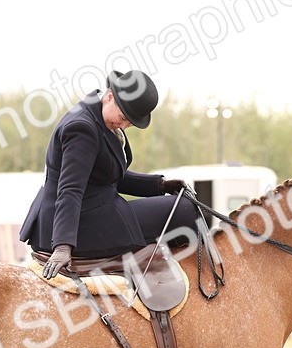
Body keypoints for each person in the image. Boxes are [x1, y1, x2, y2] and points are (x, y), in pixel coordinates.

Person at [19, 70, 194, 279]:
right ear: (109, 96)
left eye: (130, 123)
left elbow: (106, 176)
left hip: (94, 208)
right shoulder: (82, 128)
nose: (124, 125)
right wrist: (63, 245)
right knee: (184, 209)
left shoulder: (99, 115)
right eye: (122, 118)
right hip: (76, 224)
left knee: (181, 202)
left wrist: (160, 185)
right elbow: (70, 189)